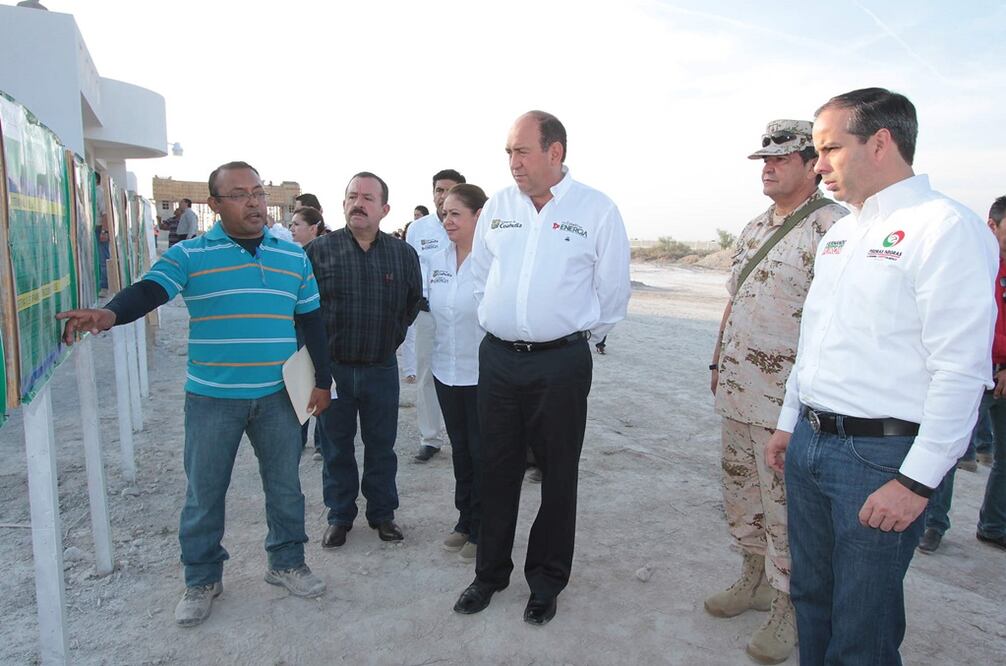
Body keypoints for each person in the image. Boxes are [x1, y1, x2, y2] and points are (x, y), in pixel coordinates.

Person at [764, 88, 998, 664]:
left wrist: (917, 483)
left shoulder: (944, 227)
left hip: (879, 458)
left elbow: (960, 369)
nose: (818, 164)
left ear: (880, 143)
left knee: (862, 623)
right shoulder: (842, 232)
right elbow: (815, 338)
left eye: (830, 149)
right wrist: (790, 423)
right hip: (812, 443)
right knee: (811, 597)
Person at [56, 161, 332, 627]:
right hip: (212, 399)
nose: (254, 203)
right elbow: (149, 291)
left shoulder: (293, 257)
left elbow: (312, 321)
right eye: (240, 195)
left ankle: (287, 562)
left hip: (279, 396)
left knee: (286, 486)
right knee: (205, 493)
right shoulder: (190, 255)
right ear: (214, 204)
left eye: (258, 193)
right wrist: (110, 314)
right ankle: (202, 578)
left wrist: (323, 381)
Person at [452, 111, 630, 625]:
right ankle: (489, 575)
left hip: (561, 365)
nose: (513, 162)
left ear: (555, 152)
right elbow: (482, 273)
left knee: (558, 473)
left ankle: (546, 582)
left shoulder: (596, 209)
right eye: (509, 152)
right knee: (496, 468)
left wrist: (573, 335)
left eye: (522, 151)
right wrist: (501, 320)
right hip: (499, 360)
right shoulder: (499, 207)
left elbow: (613, 291)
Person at [706, 120, 847, 664]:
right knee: (742, 492)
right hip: (738, 391)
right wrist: (718, 358)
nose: (768, 167)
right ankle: (753, 578)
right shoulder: (754, 227)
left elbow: (837, 323)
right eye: (765, 159)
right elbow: (735, 297)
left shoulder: (833, 228)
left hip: (787, 406)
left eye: (781, 158)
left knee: (787, 507)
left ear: (812, 165)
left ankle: (791, 606)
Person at [306, 172, 423, 548]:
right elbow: (302, 309)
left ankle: (382, 514)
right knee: (335, 447)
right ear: (343, 204)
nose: (359, 203)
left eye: (368, 198)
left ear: (385, 209)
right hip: (332, 371)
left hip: (380, 369)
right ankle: (339, 516)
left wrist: (391, 338)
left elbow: (412, 303)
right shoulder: (318, 252)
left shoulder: (402, 254)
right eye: (353, 196)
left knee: (381, 447)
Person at [918, 195, 1006, 553]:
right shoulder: (973, 262)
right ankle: (933, 524)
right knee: (948, 453)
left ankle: (993, 525)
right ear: (992, 225)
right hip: (972, 373)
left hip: (999, 373)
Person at [428, 184, 489, 561]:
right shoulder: (436, 261)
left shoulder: (493, 262)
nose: (447, 221)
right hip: (446, 371)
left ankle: (484, 527)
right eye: (444, 214)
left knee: (484, 453)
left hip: (483, 375)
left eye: (455, 214)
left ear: (478, 216)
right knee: (461, 451)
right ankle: (465, 520)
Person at [403, 169, 466, 462]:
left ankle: (470, 435)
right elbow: (410, 269)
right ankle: (430, 438)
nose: (443, 196)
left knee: (470, 372)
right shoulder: (418, 229)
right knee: (426, 374)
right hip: (428, 314)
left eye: (450, 190)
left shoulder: (473, 225)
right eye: (439, 190)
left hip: (466, 315)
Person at [289, 205, 332, 462]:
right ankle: (299, 437)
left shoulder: (325, 255)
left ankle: (320, 442)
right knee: (300, 381)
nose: (292, 229)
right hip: (298, 328)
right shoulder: (293, 257)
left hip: (319, 328)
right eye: (291, 224)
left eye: (297, 224)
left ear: (314, 228)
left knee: (321, 382)